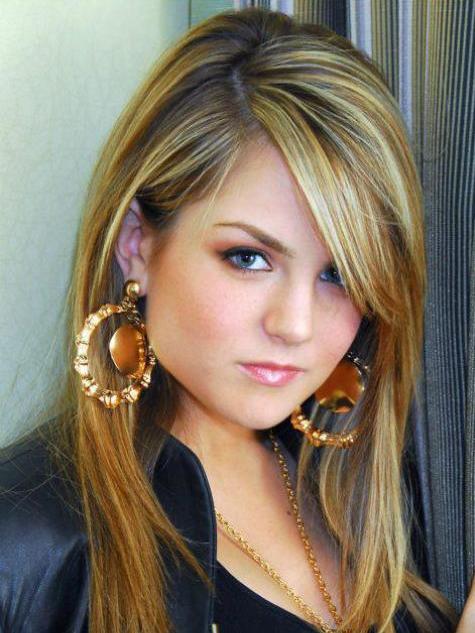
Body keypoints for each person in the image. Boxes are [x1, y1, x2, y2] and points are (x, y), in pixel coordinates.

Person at [1, 6, 473, 632]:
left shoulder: (373, 496)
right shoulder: (28, 540)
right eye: (249, 257)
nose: (296, 325)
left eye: (339, 274)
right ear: (137, 242)